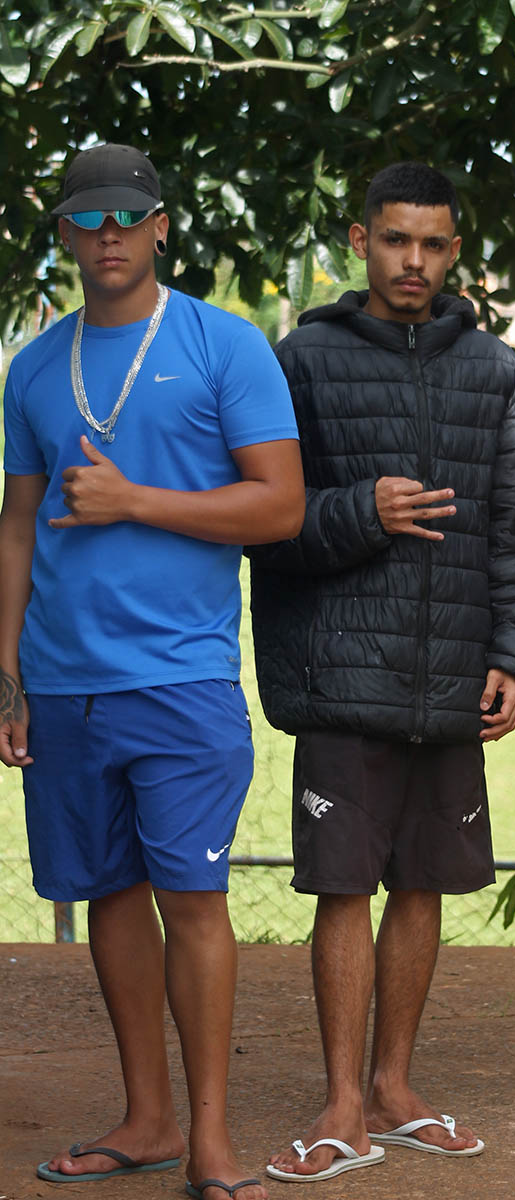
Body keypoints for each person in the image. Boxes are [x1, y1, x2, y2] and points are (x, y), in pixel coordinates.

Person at [0, 143, 305, 1200]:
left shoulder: (225, 345)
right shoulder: (34, 366)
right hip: (61, 681)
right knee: (110, 896)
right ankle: (148, 1119)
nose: (110, 236)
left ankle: (212, 1140)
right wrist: (7, 673)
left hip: (181, 677)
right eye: (88, 220)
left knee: (194, 898)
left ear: (162, 224)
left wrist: (136, 501)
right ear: (64, 234)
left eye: (128, 216)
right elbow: (17, 525)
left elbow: (280, 506)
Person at [248, 161, 515, 1181]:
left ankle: (393, 1087)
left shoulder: (494, 371)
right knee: (343, 889)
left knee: (422, 886)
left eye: (430, 244)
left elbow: (510, 535)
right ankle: (341, 1104)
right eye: (393, 240)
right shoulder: (302, 361)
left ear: (453, 251)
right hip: (342, 675)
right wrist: (359, 512)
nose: (411, 260)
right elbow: (266, 525)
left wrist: (514, 655)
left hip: (452, 676)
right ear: (360, 241)